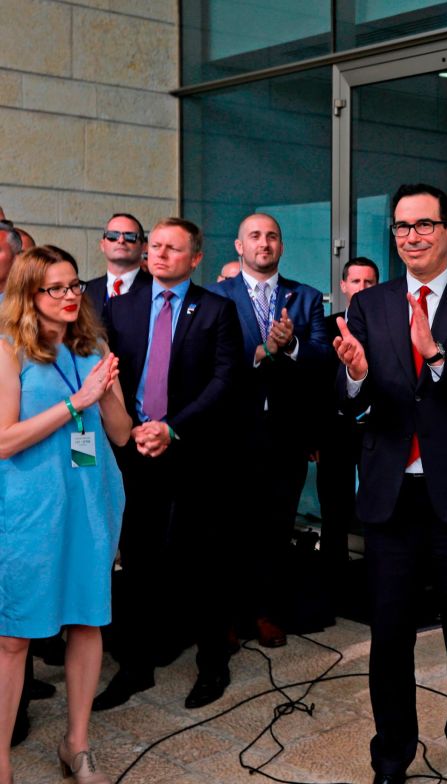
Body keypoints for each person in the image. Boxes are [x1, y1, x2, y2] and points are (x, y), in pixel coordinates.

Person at [332, 184, 447, 784]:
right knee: (389, 639)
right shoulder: (371, 304)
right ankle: (392, 758)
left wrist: (436, 355)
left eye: (424, 224)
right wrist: (355, 377)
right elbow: (352, 402)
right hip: (391, 496)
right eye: (402, 226)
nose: (411, 235)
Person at [93, 218, 243, 712]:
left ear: (195, 258)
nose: (158, 255)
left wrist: (171, 427)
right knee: (137, 559)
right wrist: (137, 428)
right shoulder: (121, 306)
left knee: (205, 559)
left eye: (171, 249)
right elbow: (111, 374)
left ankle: (212, 664)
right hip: (136, 449)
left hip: (196, 451)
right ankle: (135, 668)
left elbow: (224, 382)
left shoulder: (217, 309)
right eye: (153, 246)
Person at [0, 245, 132, 784]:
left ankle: (75, 743)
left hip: (91, 501)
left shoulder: (94, 345)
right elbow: (4, 441)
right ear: (30, 295)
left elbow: (120, 433)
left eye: (75, 285)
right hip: (30, 509)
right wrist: (77, 403)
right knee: (13, 636)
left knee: (87, 619)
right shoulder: (9, 351)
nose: (72, 295)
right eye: (56, 287)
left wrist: (106, 391)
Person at [212, 213, 328, 647]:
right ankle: (227, 616)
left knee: (277, 527)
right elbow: (210, 358)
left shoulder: (307, 297)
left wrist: (293, 346)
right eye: (255, 236)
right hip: (231, 433)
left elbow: (320, 359)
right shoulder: (216, 296)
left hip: (285, 433)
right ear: (240, 246)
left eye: (272, 236)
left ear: (281, 247)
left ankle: (266, 612)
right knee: (229, 529)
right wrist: (263, 351)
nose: (264, 243)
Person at [315, 257, 379, 607]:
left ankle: (373, 587)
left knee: (377, 509)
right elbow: (313, 383)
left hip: (377, 432)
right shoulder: (324, 328)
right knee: (334, 510)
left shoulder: (388, 326)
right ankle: (332, 591)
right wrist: (313, 436)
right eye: (356, 281)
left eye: (369, 282)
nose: (362, 288)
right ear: (343, 286)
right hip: (335, 432)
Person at [84, 214, 153, 319]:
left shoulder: (156, 290)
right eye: (113, 235)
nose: (121, 240)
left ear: (143, 247)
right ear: (102, 245)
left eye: (130, 236)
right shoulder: (86, 291)